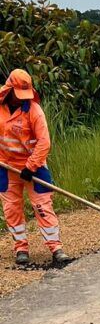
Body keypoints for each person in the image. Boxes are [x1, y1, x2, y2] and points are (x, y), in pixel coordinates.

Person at [0, 69, 69, 266]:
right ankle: (21, 248)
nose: (21, 98)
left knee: (42, 207)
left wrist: (30, 167)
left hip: (34, 166)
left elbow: (44, 142)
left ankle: (56, 248)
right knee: (12, 208)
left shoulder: (34, 111)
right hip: (6, 167)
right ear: (9, 90)